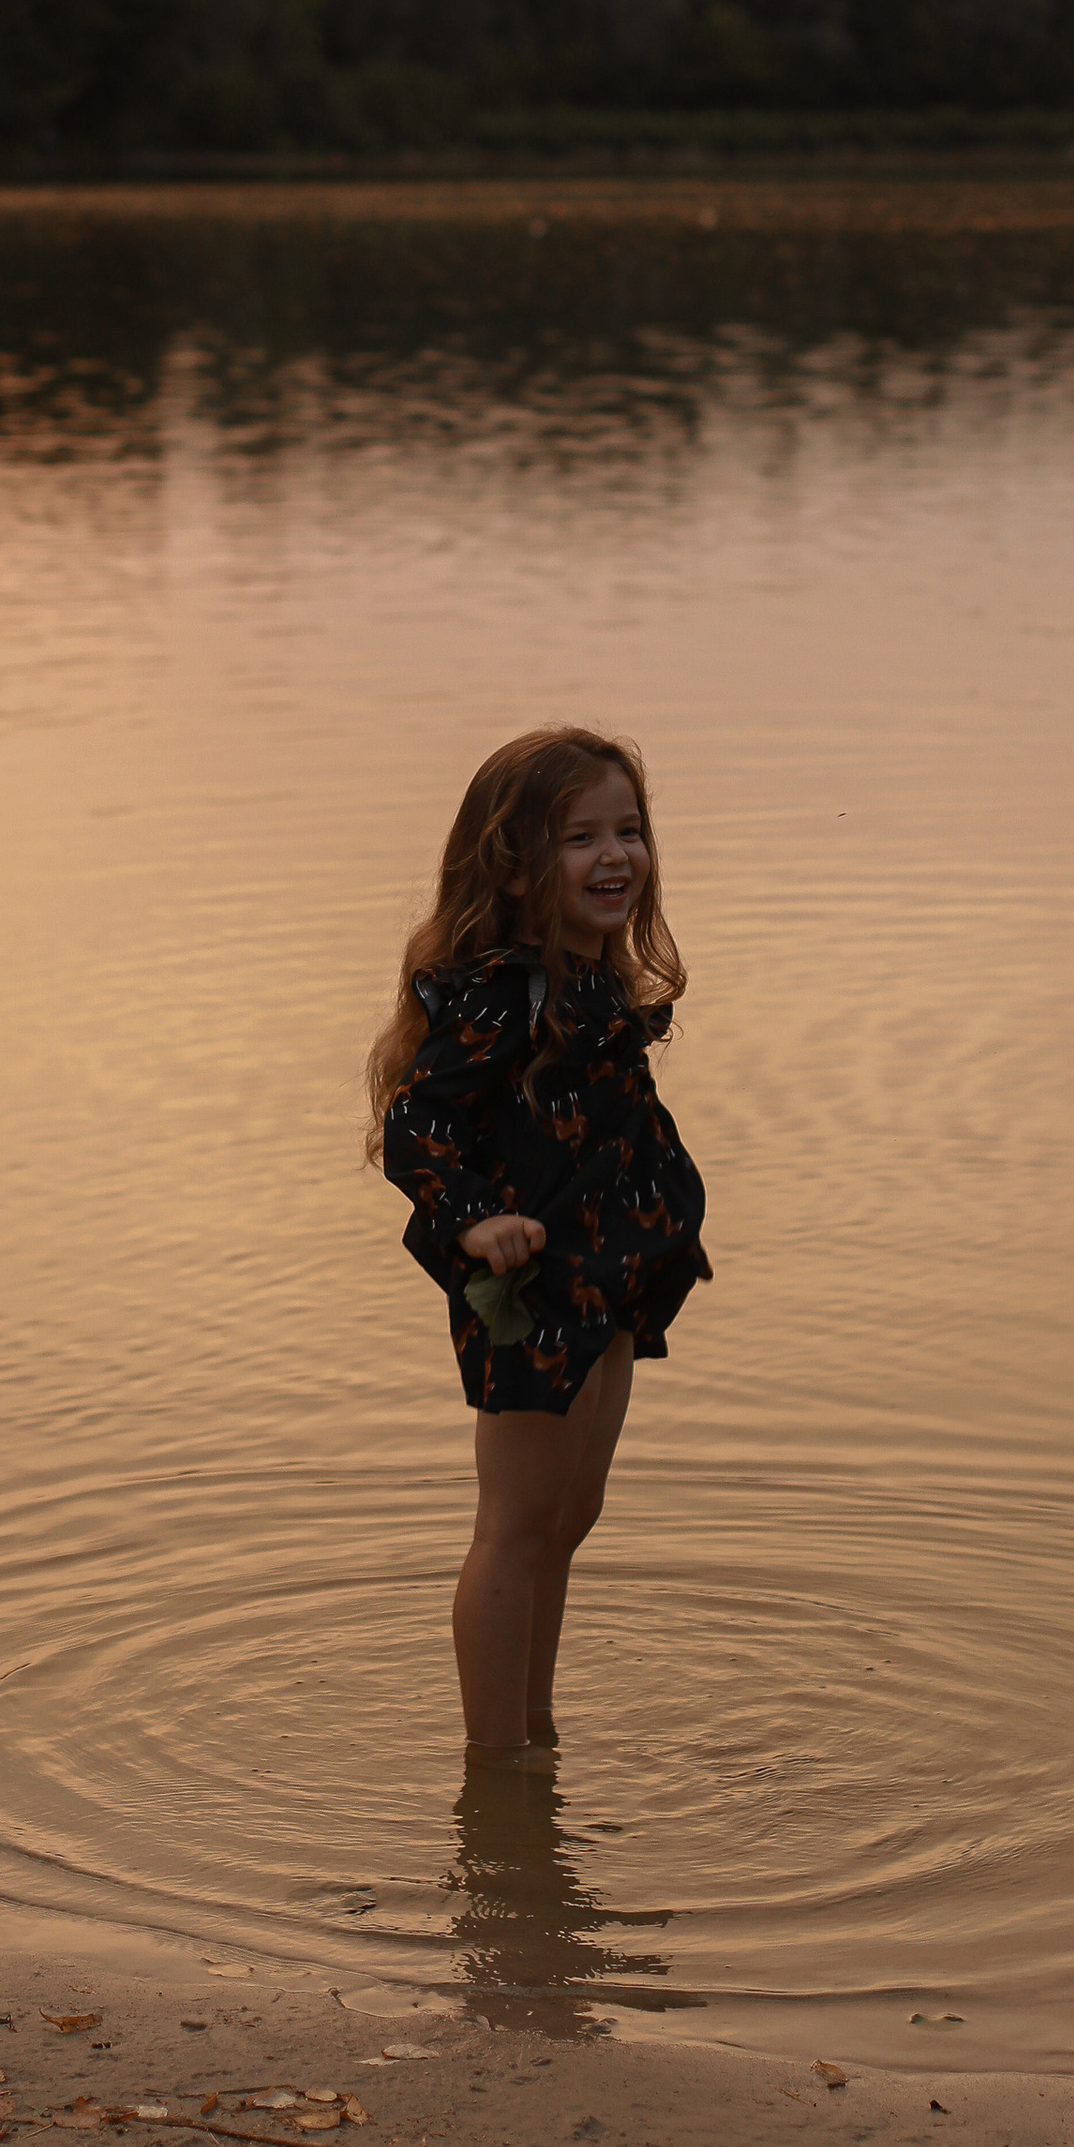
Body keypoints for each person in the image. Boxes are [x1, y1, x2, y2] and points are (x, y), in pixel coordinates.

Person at [369, 728, 712, 1762]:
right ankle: (495, 1763)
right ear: (514, 866)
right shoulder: (499, 991)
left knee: (569, 1515)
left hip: (607, 1271)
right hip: (526, 1281)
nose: (616, 856)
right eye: (580, 838)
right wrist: (472, 1218)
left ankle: (535, 1735)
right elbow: (415, 1122)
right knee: (515, 1527)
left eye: (629, 830)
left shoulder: (592, 979)